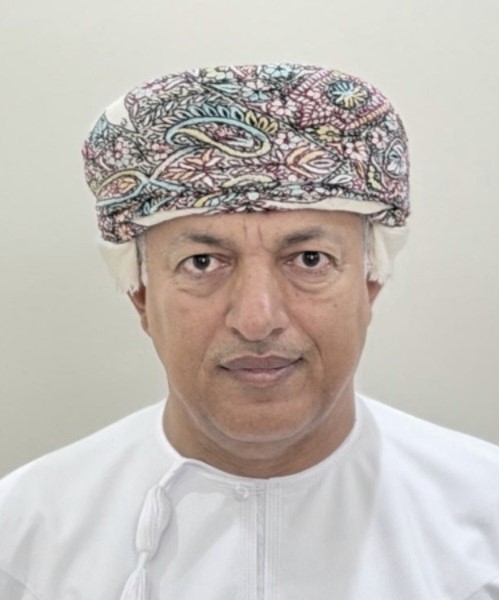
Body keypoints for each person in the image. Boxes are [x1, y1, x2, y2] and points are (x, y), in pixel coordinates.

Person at [0, 63, 498, 600]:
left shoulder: (484, 517)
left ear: (370, 283)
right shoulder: (25, 533)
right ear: (141, 296)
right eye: (201, 263)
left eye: (309, 259)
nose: (257, 319)